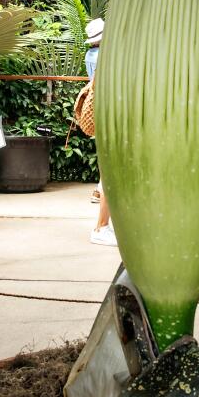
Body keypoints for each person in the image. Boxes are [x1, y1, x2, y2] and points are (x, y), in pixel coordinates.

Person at [84, 19, 117, 246]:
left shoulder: (91, 56)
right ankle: (101, 226)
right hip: (110, 115)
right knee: (111, 173)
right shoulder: (105, 58)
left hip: (105, 114)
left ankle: (107, 225)